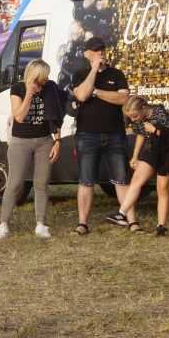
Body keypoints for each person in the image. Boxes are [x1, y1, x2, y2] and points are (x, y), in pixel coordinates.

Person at [0, 59, 64, 239]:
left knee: (41, 184)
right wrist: (30, 94)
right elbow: (20, 117)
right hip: (20, 140)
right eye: (43, 76)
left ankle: (40, 225)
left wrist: (58, 141)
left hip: (44, 140)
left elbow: (56, 116)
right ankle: (3, 225)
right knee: (14, 184)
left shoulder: (50, 88)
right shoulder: (18, 88)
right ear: (35, 76)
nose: (46, 80)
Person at [69, 37, 130, 236]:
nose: (101, 53)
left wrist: (96, 91)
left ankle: (132, 220)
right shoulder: (80, 75)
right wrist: (94, 71)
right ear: (87, 54)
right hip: (88, 135)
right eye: (96, 50)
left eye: (102, 49)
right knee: (86, 181)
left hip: (115, 134)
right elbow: (81, 95)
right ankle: (82, 224)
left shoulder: (117, 74)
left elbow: (123, 98)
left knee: (121, 180)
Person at [105, 96, 169, 236]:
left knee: (162, 189)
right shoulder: (138, 119)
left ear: (143, 108)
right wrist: (135, 155)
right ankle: (121, 213)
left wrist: (155, 130)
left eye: (134, 116)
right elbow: (140, 135)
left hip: (166, 151)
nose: (133, 119)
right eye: (130, 117)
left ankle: (161, 227)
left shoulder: (160, 114)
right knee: (136, 179)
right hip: (150, 149)